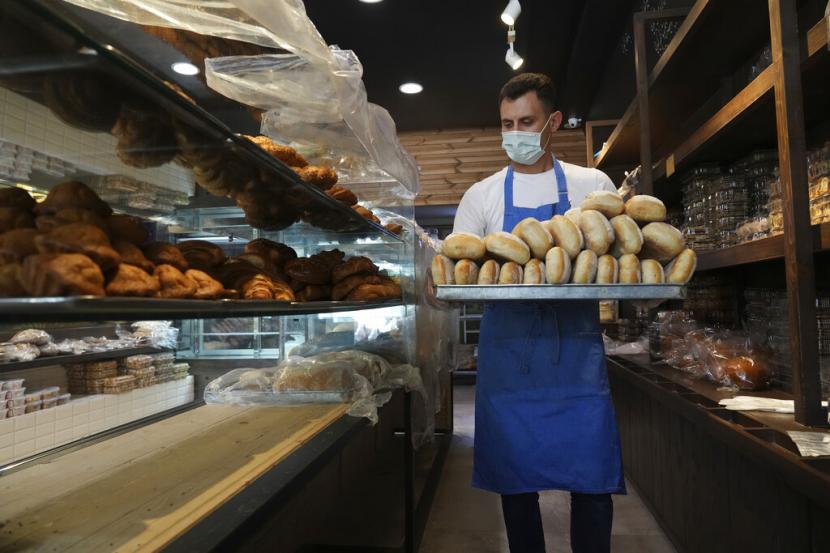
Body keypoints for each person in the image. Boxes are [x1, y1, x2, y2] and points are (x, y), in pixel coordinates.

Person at [452, 73, 625, 553]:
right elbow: (460, 273)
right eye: (507, 124)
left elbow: (616, 265)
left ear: (552, 122)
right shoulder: (481, 196)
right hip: (509, 365)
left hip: (577, 361)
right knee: (515, 481)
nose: (515, 134)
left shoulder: (593, 187)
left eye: (525, 121)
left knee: (591, 480)